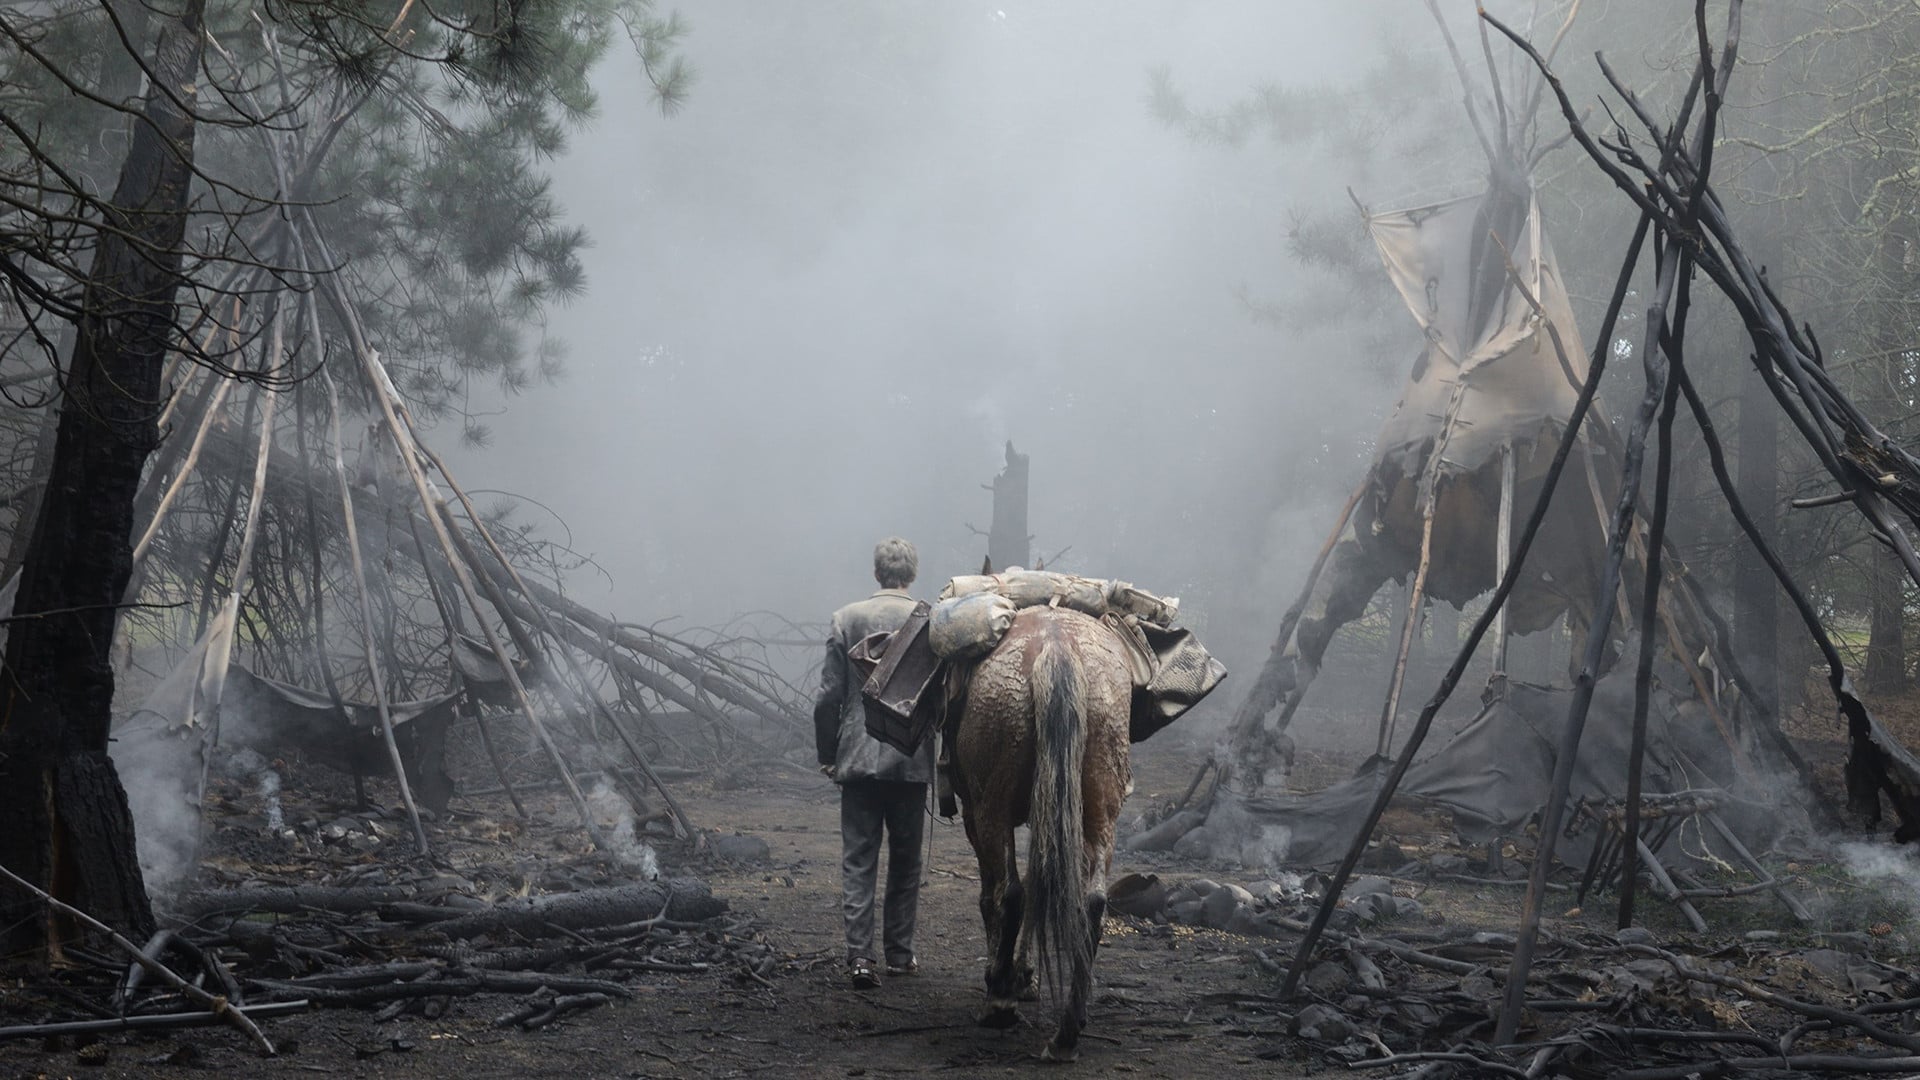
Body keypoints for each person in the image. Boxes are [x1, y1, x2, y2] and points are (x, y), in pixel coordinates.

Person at [814, 536, 935, 990]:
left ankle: (860, 958)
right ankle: (900, 955)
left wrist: (829, 753)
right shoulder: (931, 619)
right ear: (912, 574)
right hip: (910, 757)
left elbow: (828, 697)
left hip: (858, 758)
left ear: (876, 573)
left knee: (859, 860)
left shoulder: (846, 619)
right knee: (906, 862)